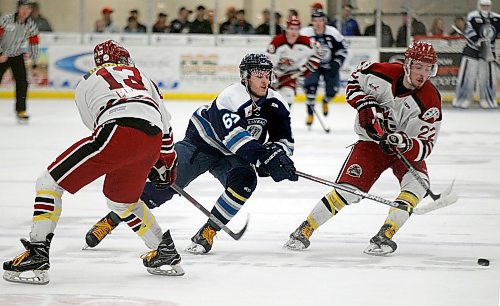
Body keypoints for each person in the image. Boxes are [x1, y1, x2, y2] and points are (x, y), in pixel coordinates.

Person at [2, 40, 184, 284]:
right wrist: (166, 161)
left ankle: (37, 253)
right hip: (152, 138)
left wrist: (122, 150)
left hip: (116, 131)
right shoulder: (142, 76)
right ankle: (164, 251)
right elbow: (164, 121)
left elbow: (95, 125)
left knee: (49, 183)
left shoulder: (88, 78)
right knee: (121, 200)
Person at [83, 53, 298, 255]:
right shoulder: (232, 96)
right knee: (161, 189)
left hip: (232, 154)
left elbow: (285, 140)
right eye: (258, 76)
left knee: (245, 181)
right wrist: (262, 156)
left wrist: (278, 156)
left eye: (267, 75)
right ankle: (111, 220)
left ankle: (208, 232)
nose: (264, 81)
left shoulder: (276, 103)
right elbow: (234, 138)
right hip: (202, 143)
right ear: (245, 77)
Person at [284, 41, 442, 256]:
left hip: (403, 151)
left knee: (418, 184)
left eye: (428, 68)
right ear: (407, 64)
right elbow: (353, 82)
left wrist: (403, 143)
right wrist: (363, 103)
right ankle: (304, 229)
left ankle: (385, 234)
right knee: (347, 191)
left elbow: (426, 145)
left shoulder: (430, 100)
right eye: (418, 67)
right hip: (371, 145)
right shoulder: (380, 72)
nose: (423, 74)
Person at [300, 9, 348, 126]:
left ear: (324, 21)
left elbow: (343, 49)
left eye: (320, 20)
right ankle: (310, 114)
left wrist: (337, 63)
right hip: (313, 65)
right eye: (315, 20)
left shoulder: (333, 33)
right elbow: (298, 49)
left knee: (333, 91)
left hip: (330, 65)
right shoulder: (305, 33)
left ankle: (325, 100)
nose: (317, 23)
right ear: (311, 21)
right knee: (310, 89)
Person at [452, 0, 500, 109]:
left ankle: (488, 100)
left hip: (488, 51)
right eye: (483, 5)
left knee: (487, 77)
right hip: (472, 51)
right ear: (479, 5)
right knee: (467, 76)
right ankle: (462, 100)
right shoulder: (472, 16)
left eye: (487, 5)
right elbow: (469, 30)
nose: (485, 7)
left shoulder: (497, 18)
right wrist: (475, 40)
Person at [267, 16, 321, 108]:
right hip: (274, 74)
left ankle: (283, 120)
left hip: (291, 74)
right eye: (291, 28)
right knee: (267, 100)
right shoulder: (277, 42)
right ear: (286, 29)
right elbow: (268, 63)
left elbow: (318, 50)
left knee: (288, 97)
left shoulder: (305, 41)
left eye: (296, 29)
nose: (294, 32)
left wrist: (309, 67)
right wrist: (271, 78)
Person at [0, 0, 39, 123]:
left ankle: (21, 111)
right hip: (2, 55)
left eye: (28, 9)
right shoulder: (6, 20)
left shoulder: (31, 25)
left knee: (22, 83)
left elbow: (34, 43)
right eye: (23, 8)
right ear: (18, 8)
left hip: (17, 55)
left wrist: (34, 62)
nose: (25, 11)